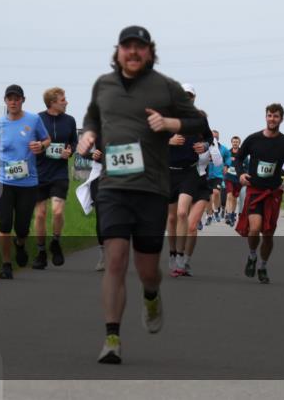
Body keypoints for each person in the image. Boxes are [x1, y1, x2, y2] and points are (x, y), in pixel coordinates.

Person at [77, 26, 206, 364]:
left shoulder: (165, 87)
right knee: (116, 260)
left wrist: (169, 124)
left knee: (147, 269)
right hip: (114, 187)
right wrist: (89, 134)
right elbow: (92, 117)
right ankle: (112, 337)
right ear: (118, 51)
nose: (133, 52)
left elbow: (199, 124)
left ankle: (151, 295)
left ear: (150, 51)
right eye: (127, 46)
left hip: (150, 188)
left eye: (140, 47)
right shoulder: (103, 85)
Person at [234, 103, 284, 284]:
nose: (272, 119)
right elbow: (239, 158)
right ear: (265, 117)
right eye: (269, 115)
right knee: (255, 228)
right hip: (254, 190)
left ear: (281, 119)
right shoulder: (253, 139)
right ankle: (252, 256)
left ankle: (263, 265)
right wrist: (241, 173)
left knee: (268, 234)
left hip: (272, 193)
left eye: (276, 116)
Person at [0, 84, 49, 279]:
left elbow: (47, 139)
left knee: (22, 228)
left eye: (17, 98)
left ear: (23, 100)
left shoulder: (33, 119)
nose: (13, 102)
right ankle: (6, 265)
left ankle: (20, 244)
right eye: (9, 98)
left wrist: (41, 145)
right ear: (5, 101)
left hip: (28, 183)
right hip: (3, 181)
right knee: (4, 224)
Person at [164, 84, 214, 277]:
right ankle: (172, 252)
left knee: (182, 213)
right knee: (171, 218)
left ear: (194, 98)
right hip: (169, 172)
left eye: (190, 96)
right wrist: (168, 141)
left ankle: (179, 256)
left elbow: (209, 138)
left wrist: (204, 145)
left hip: (189, 172)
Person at [32, 87, 79, 269]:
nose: (66, 102)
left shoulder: (70, 120)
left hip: (59, 173)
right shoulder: (38, 119)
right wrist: (36, 146)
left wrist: (70, 151)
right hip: (40, 173)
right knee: (41, 214)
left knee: (58, 211)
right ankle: (41, 252)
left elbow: (74, 142)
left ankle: (56, 242)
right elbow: (31, 141)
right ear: (52, 103)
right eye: (63, 100)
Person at [204, 130, 231, 225]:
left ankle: (216, 210)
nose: (214, 139)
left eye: (216, 137)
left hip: (218, 174)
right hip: (206, 175)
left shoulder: (223, 149)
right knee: (208, 196)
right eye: (213, 137)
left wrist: (227, 165)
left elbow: (228, 157)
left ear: (218, 138)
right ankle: (209, 215)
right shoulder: (204, 147)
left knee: (215, 192)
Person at [223, 135, 245, 227]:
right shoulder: (228, 153)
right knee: (229, 196)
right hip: (229, 177)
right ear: (231, 143)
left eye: (237, 142)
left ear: (239, 143)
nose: (235, 143)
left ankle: (232, 214)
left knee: (235, 197)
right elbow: (223, 164)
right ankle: (228, 214)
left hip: (238, 179)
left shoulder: (243, 153)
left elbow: (247, 165)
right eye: (233, 142)